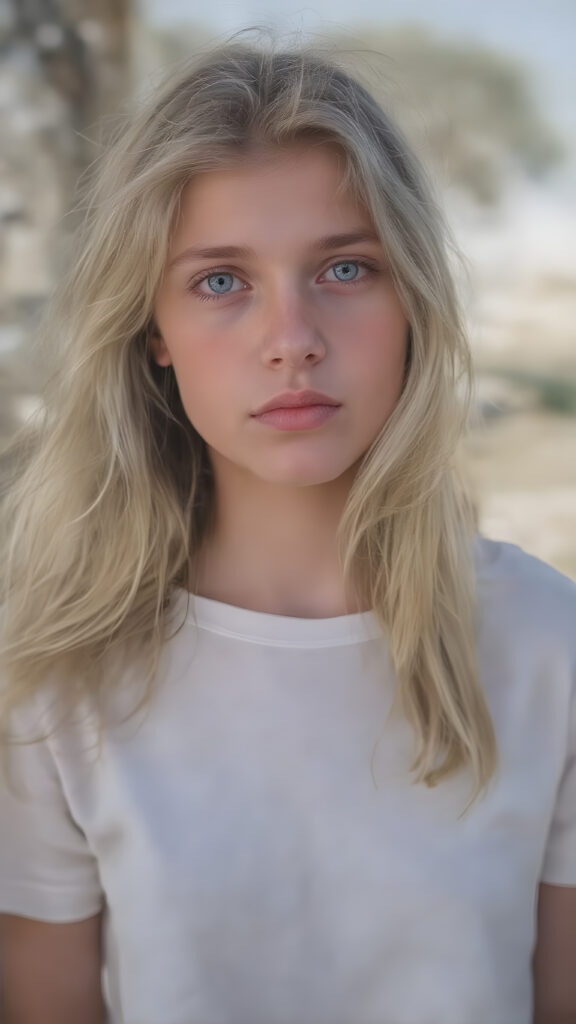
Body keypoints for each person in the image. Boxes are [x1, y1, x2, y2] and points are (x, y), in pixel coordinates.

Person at [0, 31, 574, 1024]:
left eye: (345, 269)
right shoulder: (59, 680)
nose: (294, 341)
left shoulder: (548, 645)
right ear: (153, 332)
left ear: (412, 298)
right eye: (221, 281)